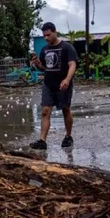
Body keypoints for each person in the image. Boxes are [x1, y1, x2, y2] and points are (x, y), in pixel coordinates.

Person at [29, 22, 79, 150]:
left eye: (48, 35)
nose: (46, 38)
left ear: (55, 32)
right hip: (48, 84)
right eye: (44, 35)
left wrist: (67, 80)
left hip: (63, 84)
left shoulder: (67, 47)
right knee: (45, 111)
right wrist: (37, 64)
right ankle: (42, 140)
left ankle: (68, 136)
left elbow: (72, 65)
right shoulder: (45, 50)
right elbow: (45, 68)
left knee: (65, 110)